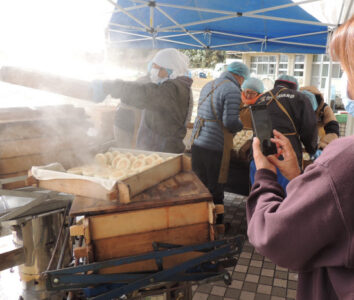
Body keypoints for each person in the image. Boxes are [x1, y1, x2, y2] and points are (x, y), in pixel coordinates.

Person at [246, 15, 354, 300]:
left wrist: (264, 175)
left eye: (345, 68)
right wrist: (302, 170)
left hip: (271, 161)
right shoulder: (302, 101)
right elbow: (335, 208)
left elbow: (273, 235)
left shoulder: (344, 159)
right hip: (292, 158)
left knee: (277, 206)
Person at [93, 48, 193, 153]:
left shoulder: (172, 90)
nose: (153, 71)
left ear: (169, 70)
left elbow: (143, 93)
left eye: (156, 67)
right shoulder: (173, 86)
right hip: (160, 147)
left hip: (162, 150)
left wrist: (109, 87)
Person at [191, 61, 249, 224]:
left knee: (200, 184)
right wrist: (241, 126)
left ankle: (198, 219)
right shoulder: (232, 90)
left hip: (197, 141)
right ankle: (217, 223)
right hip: (215, 145)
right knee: (216, 186)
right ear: (240, 76)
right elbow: (230, 122)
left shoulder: (209, 85)